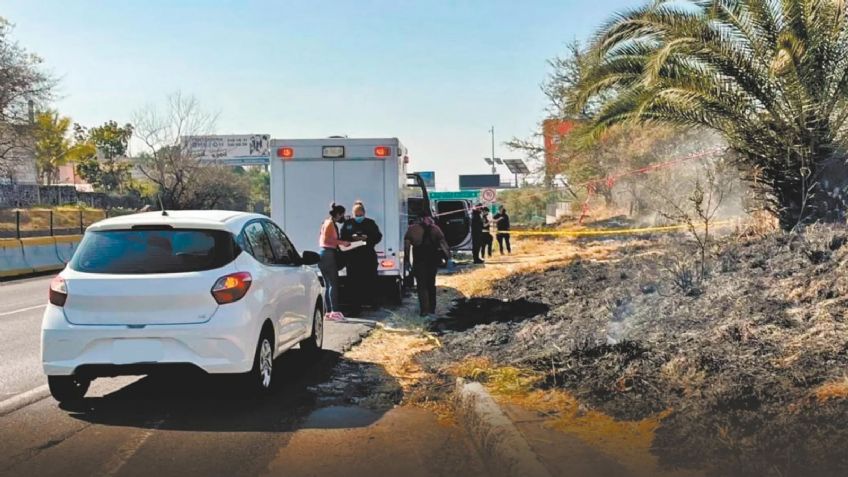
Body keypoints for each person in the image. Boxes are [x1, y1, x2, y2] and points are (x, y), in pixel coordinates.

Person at [340, 200, 383, 313]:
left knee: (371, 281)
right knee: (353, 283)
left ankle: (373, 303)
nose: (358, 217)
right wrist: (352, 239)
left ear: (364, 213)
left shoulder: (370, 223)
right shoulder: (348, 224)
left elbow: (378, 237)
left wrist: (366, 239)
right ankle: (355, 307)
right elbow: (343, 237)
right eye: (356, 215)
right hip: (353, 257)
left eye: (360, 215)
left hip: (367, 256)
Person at [404, 216, 450, 317]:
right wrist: (448, 258)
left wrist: (406, 260)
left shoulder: (412, 230)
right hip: (432, 261)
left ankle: (424, 310)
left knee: (421, 286)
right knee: (431, 284)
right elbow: (443, 244)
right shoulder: (436, 229)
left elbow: (407, 246)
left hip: (419, 261)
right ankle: (432, 309)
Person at [318, 203, 350, 320]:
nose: (343, 217)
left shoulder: (326, 222)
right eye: (342, 215)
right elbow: (328, 239)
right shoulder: (330, 223)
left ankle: (328, 311)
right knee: (333, 284)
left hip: (323, 254)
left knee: (328, 285)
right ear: (338, 214)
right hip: (328, 255)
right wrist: (343, 243)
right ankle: (335, 311)